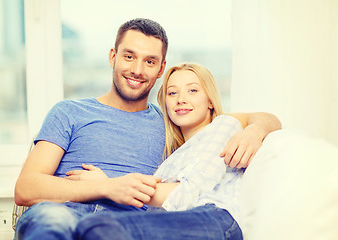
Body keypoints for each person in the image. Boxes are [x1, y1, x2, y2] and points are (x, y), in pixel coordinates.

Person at [14, 18, 281, 240]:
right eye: (129, 57)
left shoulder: (173, 124)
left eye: (150, 62)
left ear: (161, 69)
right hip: (61, 211)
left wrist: (254, 132)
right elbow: (26, 188)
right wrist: (106, 188)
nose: (137, 70)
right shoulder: (69, 112)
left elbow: (261, 119)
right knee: (51, 222)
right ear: (113, 57)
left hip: (125, 227)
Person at [72, 63, 260, 240]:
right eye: (172, 93)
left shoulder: (222, 126)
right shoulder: (173, 157)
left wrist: (109, 186)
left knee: (96, 228)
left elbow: (188, 192)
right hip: (183, 223)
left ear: (210, 101)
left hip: (214, 220)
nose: (181, 99)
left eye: (192, 90)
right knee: (86, 227)